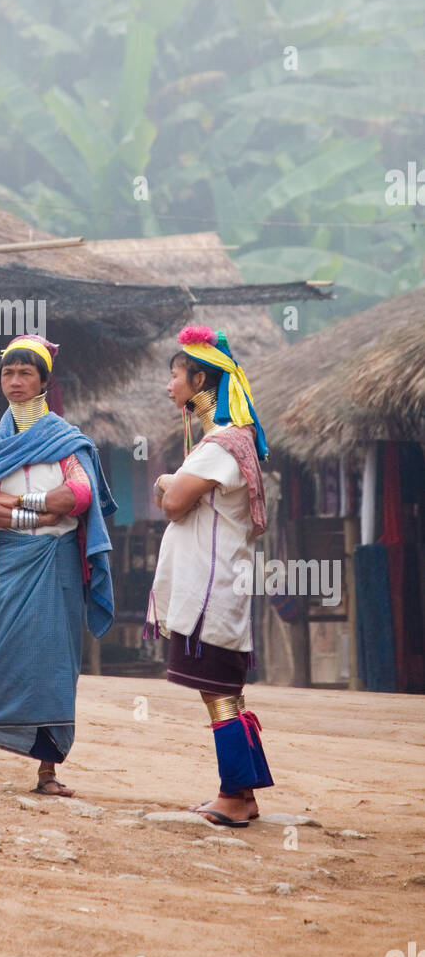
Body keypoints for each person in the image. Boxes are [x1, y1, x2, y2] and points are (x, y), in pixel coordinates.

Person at [0, 335, 116, 796]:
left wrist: (16, 501)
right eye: (8, 372)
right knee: (1, 656)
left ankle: (47, 772)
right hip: (11, 561)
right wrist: (41, 514)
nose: (16, 381)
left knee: (55, 662)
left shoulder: (67, 441)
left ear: (44, 381)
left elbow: (78, 497)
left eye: (26, 373)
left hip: (57, 562)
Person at [146, 325, 273, 827]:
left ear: (200, 378)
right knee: (227, 692)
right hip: (219, 586)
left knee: (218, 692)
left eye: (175, 376)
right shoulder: (230, 442)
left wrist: (163, 485)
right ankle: (244, 794)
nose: (169, 386)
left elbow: (176, 502)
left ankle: (232, 796)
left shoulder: (221, 445)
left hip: (211, 590)